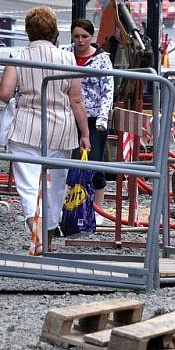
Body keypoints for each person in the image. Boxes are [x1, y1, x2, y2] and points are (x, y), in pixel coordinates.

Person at [0, 6, 90, 255]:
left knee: (28, 186)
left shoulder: (18, 56)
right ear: (53, 32)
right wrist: (85, 133)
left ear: (28, 31)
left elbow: (4, 94)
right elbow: (77, 100)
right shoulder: (68, 59)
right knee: (55, 187)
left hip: (26, 128)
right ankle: (46, 241)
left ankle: (35, 235)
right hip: (61, 130)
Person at [70, 19, 114, 226]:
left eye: (84, 36)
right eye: (76, 36)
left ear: (92, 37)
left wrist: (103, 118)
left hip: (95, 117)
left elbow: (107, 90)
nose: (80, 41)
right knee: (69, 161)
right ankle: (71, 204)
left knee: (94, 162)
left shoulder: (102, 59)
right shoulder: (66, 54)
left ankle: (97, 209)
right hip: (70, 115)